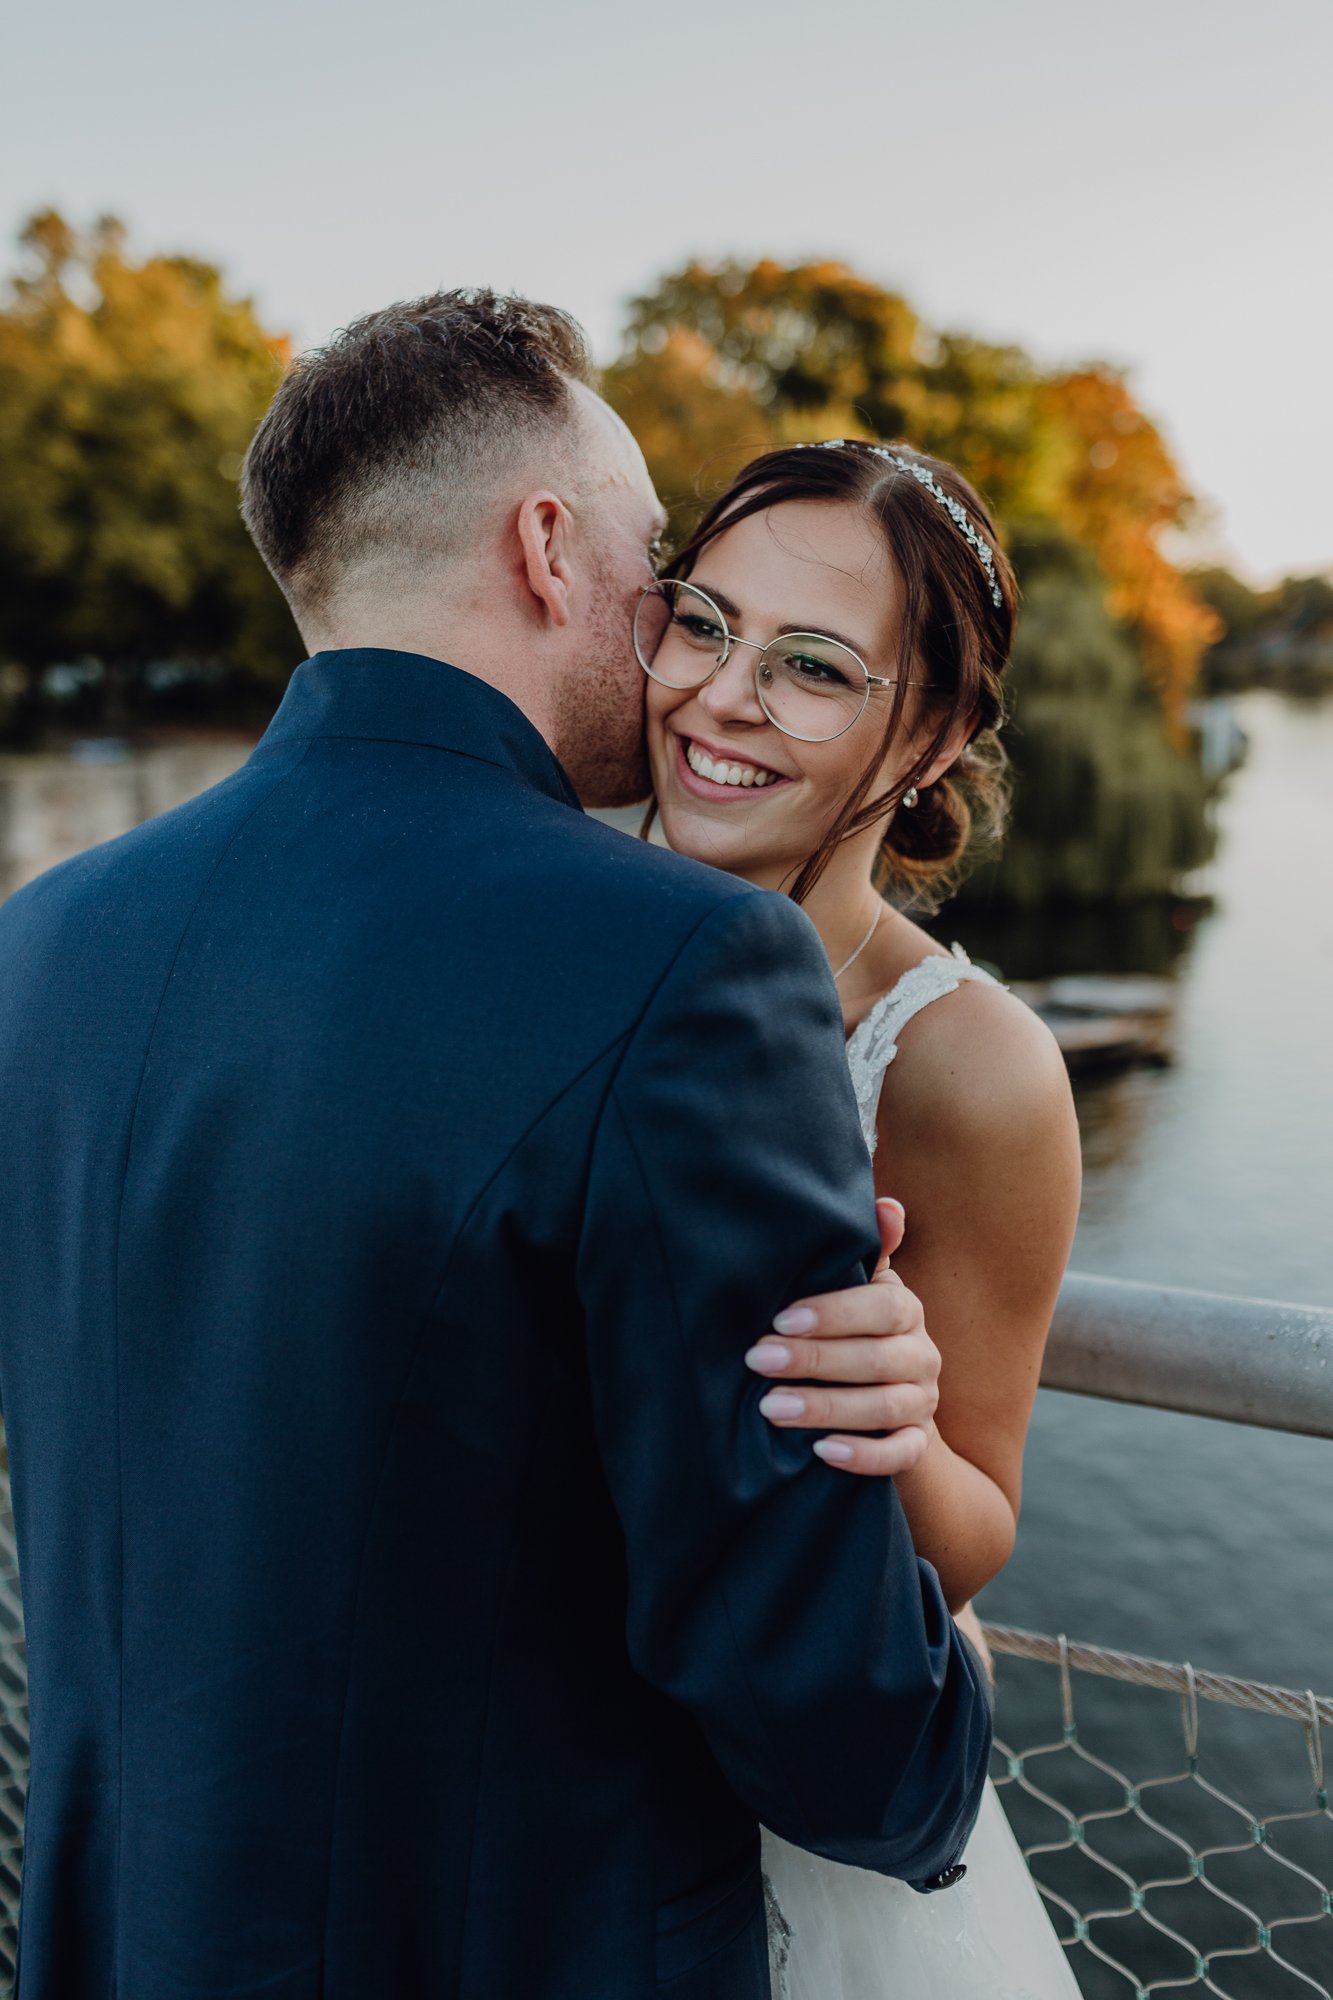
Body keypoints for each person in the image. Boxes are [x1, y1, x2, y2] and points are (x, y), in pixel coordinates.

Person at [0, 293, 991, 1999]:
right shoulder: (682, 960)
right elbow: (828, 1715)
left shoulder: (47, 937)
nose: (671, 623)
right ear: (546, 546)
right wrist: (939, 1723)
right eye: (654, 557)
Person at [636, 436, 1084, 1997]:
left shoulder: (971, 1070)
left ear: (934, 732)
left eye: (812, 666)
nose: (718, 697)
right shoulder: (542, 912)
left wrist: (888, 1424)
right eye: (701, 622)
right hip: (515, 1751)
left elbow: (975, 1536)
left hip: (791, 1803)